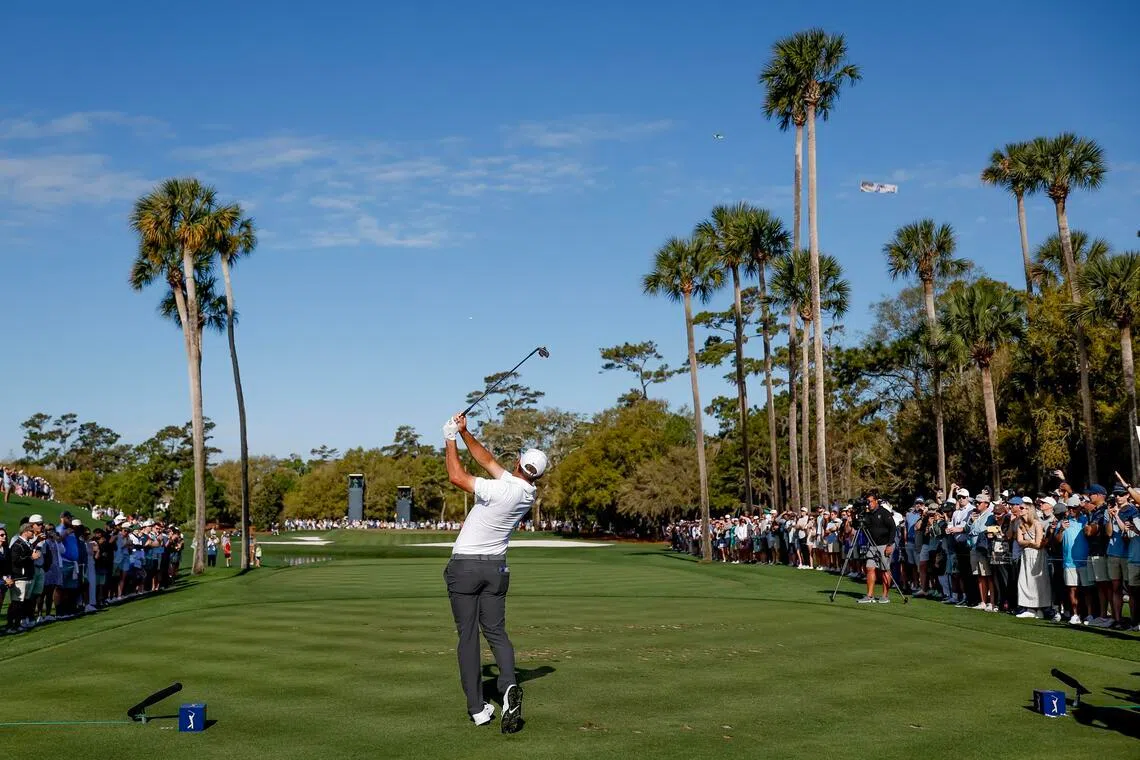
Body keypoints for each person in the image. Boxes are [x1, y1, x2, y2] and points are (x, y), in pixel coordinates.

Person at [442, 412, 546, 733]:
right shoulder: (526, 493)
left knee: (469, 636)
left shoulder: (500, 490)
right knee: (496, 632)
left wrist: (448, 438)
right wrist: (464, 432)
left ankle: (477, 709)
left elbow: (457, 477)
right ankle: (508, 685)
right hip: (497, 568)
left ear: (518, 463)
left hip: (466, 566)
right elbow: (486, 459)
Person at [859, 492, 896, 604]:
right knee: (869, 568)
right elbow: (861, 526)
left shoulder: (884, 513)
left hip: (885, 544)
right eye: (867, 502)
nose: (869, 504)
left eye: (870, 501)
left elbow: (893, 528)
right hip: (872, 545)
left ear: (876, 501)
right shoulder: (868, 514)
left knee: (885, 570)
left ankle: (885, 596)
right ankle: (869, 595)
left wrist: (890, 544)